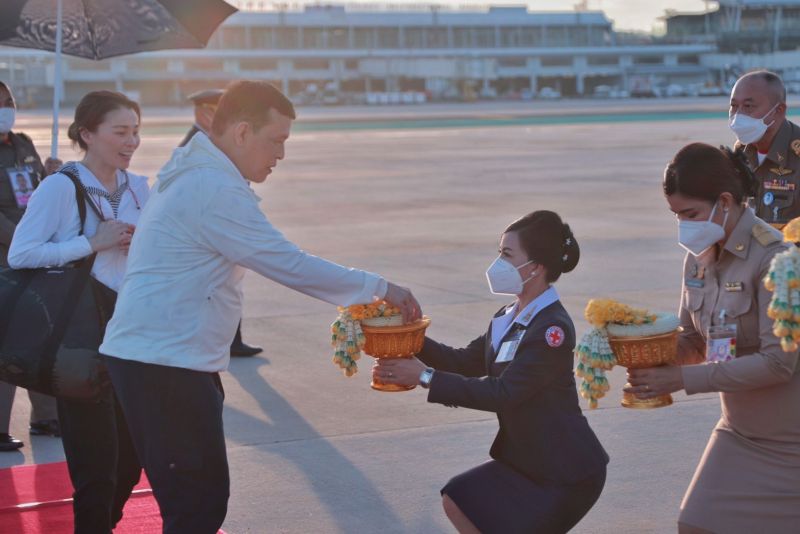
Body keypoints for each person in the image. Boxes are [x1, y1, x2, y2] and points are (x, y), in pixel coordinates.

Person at [99, 80, 421, 533]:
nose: (281, 155)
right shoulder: (212, 187)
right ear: (243, 132)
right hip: (163, 364)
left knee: (180, 496)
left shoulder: (199, 172)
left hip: (164, 358)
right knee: (198, 503)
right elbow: (286, 262)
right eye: (277, 141)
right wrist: (380, 287)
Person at [374, 210, 608, 534]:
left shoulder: (551, 329)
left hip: (565, 471)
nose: (498, 263)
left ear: (536, 267)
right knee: (459, 498)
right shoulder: (508, 316)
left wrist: (423, 377)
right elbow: (460, 361)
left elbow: (504, 393)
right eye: (499, 252)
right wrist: (407, 334)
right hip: (526, 462)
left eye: (507, 255)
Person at [626, 143, 800, 533]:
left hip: (792, 442)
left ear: (725, 201)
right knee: (695, 524)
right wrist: (647, 354)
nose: (683, 227)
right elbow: (694, 339)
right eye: (676, 216)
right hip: (739, 433)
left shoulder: (779, 260)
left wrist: (681, 380)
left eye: (690, 214)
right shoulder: (699, 256)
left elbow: (778, 364)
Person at [9, 90, 148, 532]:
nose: (131, 141)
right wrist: (92, 242)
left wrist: (137, 242)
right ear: (87, 133)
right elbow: (21, 253)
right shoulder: (60, 187)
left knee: (131, 461)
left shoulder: (140, 188)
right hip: (78, 336)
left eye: (136, 131)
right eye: (120, 131)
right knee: (96, 469)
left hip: (131, 332)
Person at [0, 80, 61, 452]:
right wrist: (21, 239)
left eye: (9, 100)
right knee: (6, 343)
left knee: (41, 335)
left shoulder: (23, 143)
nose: (6, 107)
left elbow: (37, 194)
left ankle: (45, 416)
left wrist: (52, 177)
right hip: (6, 254)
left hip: (33, 254)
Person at [182, 88, 262, 357]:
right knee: (216, 287)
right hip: (208, 231)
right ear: (205, 113)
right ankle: (223, 341)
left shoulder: (209, 141)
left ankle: (232, 340)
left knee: (228, 283)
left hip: (222, 224)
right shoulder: (194, 145)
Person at [729, 70, 800, 228]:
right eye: (734, 106)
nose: (738, 115)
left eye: (748, 106)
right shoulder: (740, 153)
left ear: (779, 110)